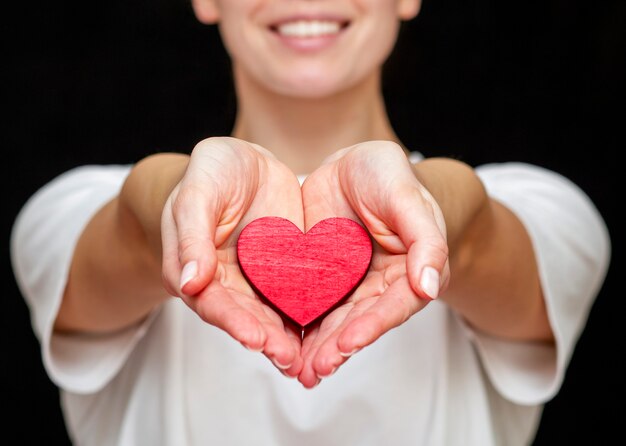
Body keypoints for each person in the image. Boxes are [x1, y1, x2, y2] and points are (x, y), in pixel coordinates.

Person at [10, 0, 610, 444]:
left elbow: (474, 237)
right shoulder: (69, 211)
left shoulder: (547, 212)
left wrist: (421, 203)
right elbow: (137, 232)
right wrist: (182, 197)